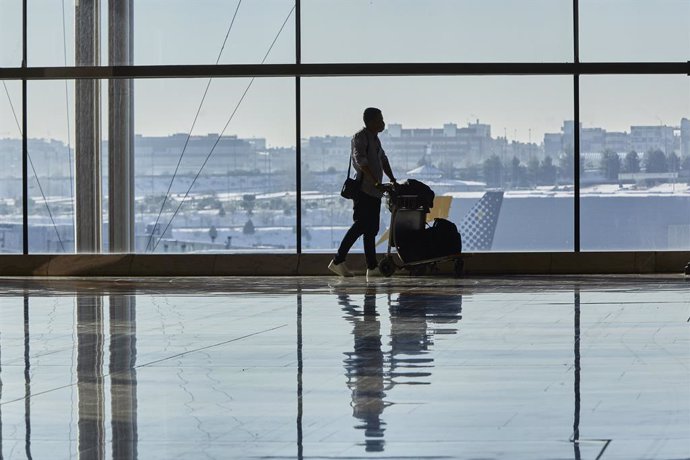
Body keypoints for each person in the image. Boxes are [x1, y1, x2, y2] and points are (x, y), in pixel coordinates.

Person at [329, 107, 396, 278]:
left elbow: (383, 160)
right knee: (360, 226)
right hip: (364, 190)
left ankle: (372, 267)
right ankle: (338, 261)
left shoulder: (376, 140)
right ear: (372, 121)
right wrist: (374, 180)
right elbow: (361, 162)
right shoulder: (360, 138)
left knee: (371, 229)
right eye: (380, 119)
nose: (383, 122)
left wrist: (392, 179)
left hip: (375, 191)